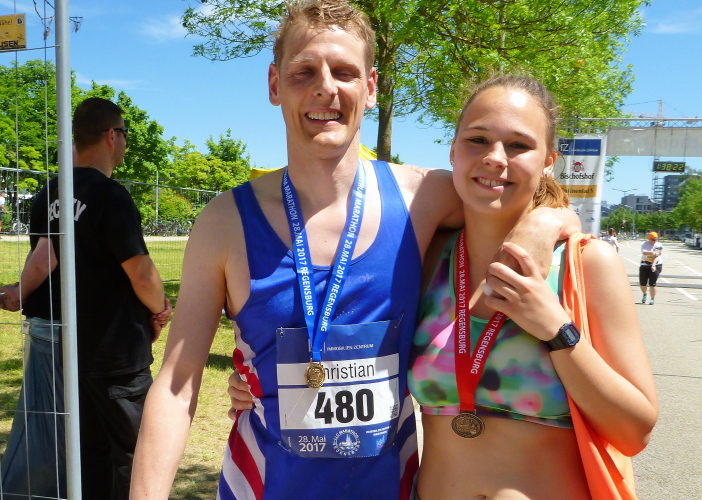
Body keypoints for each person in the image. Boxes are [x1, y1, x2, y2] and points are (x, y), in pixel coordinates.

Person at [130, 3, 579, 499]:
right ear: (275, 85)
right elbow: (176, 385)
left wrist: (543, 223)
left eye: (344, 72)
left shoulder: (425, 198)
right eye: (304, 72)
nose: (326, 88)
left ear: (371, 88)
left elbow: (522, 195)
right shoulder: (224, 222)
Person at [407, 75, 658, 499]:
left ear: (548, 162)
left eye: (518, 145)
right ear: (453, 150)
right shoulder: (428, 254)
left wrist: (556, 329)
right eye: (477, 140)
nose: (494, 158)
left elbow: (635, 431)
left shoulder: (587, 263)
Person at [0, 97, 172, 500]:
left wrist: (20, 292)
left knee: (89, 451)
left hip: (72, 351)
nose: (124, 142)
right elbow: (142, 275)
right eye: (124, 134)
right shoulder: (111, 196)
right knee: (135, 451)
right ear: (111, 136)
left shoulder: (50, 192)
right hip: (116, 355)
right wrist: (160, 309)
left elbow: (45, 256)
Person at [640, 231, 663, 305]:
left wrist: (653, 265)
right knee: (643, 283)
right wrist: (653, 252)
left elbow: (657, 255)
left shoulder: (659, 245)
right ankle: (644, 294)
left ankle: (652, 298)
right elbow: (644, 252)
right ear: (649, 239)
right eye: (653, 239)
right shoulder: (644, 244)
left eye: (656, 239)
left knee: (652, 283)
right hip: (644, 264)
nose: (654, 241)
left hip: (656, 264)